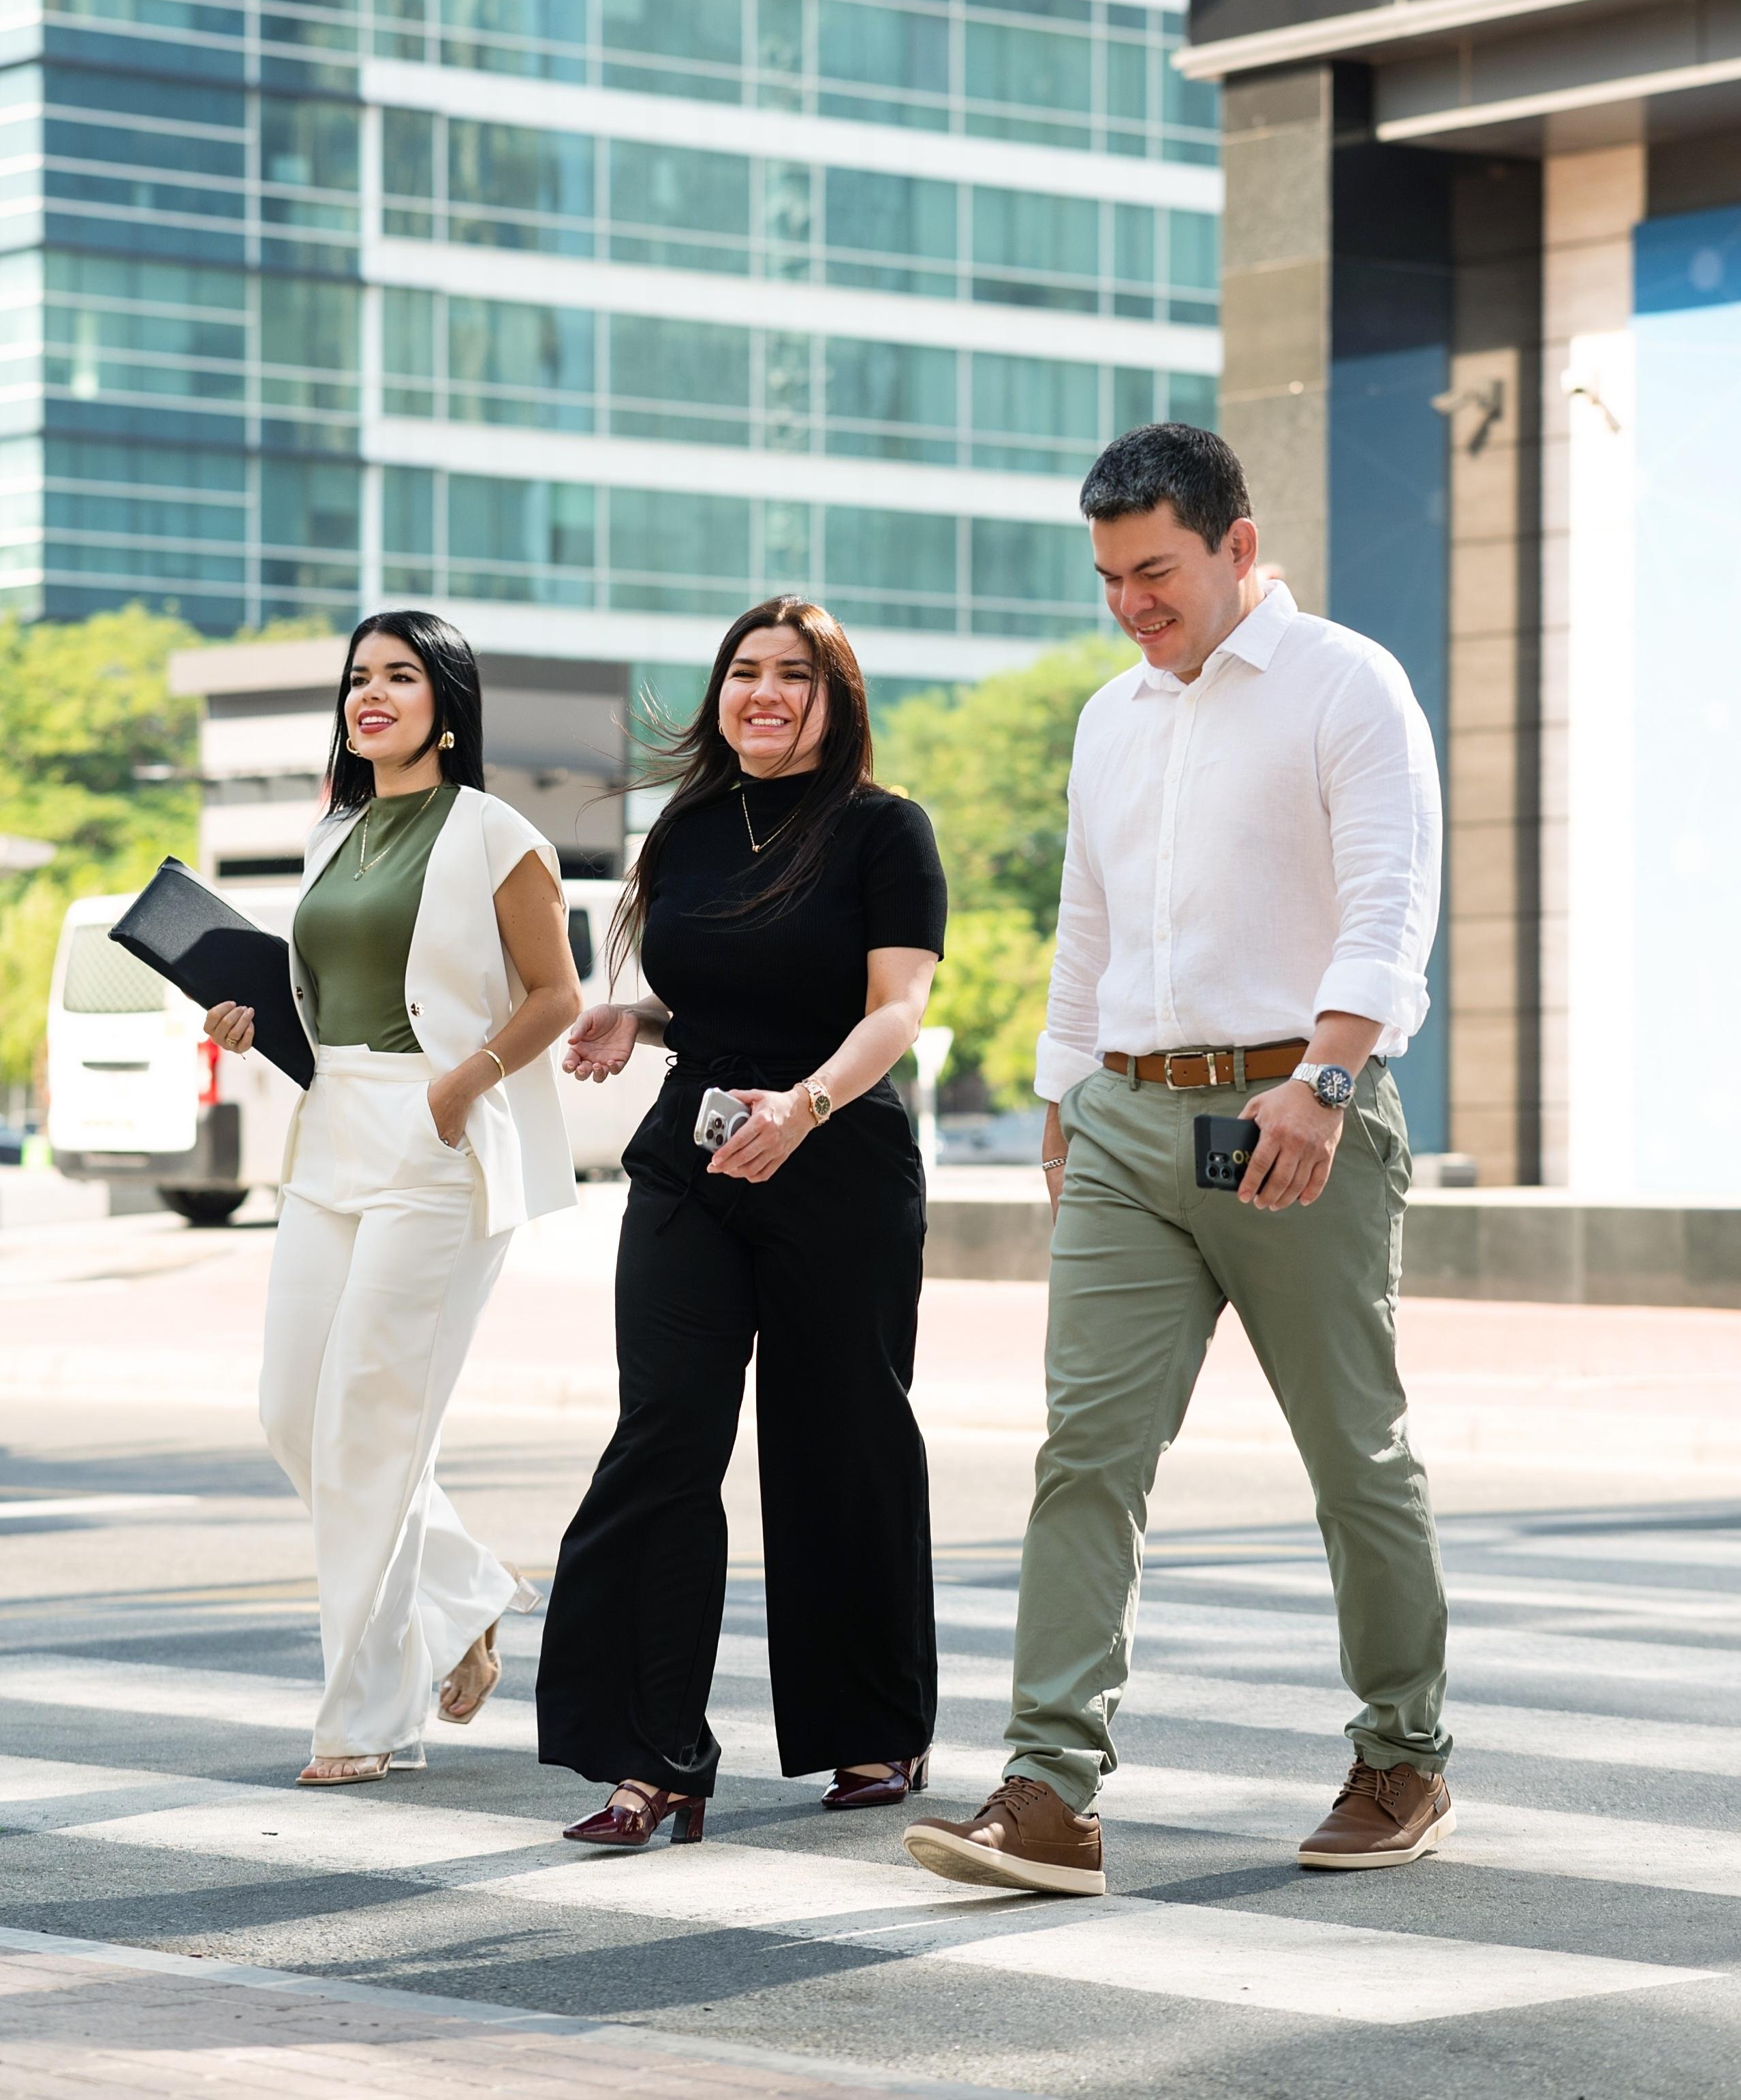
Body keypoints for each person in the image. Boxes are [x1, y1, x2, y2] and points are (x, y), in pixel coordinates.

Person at [903, 423, 1452, 1898]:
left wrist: (1325, 1083)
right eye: (1109, 579)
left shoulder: (1349, 684)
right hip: (1132, 1123)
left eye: (1156, 571)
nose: (1132, 602)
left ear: (1238, 548)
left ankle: (1403, 1750)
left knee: (1354, 1454)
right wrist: (1060, 1095)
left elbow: (1391, 905)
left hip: (1296, 1119)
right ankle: (1050, 1789)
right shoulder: (1110, 716)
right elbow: (1089, 926)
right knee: (1086, 1451)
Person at [535, 595, 945, 1847]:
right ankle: (652, 1754)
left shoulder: (886, 830)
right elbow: (702, 986)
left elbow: (896, 1009)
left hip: (838, 1159)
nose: (765, 693)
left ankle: (874, 1729)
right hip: (692, 1163)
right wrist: (634, 1016)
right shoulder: (694, 826)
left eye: (795, 675)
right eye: (745, 672)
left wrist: (808, 1105)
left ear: (838, 697)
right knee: (663, 1435)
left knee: (839, 1440)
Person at [204, 609, 582, 1787]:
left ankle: (362, 1720)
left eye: (400, 676)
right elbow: (329, 1005)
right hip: (331, 1136)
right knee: (287, 1407)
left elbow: (556, 993)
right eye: (359, 677)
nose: (372, 694)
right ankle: (467, 1585)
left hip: (436, 1138)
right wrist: (251, 1019)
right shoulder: (334, 833)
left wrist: (465, 1080)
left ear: (447, 703)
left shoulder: (494, 831)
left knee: (369, 1417)